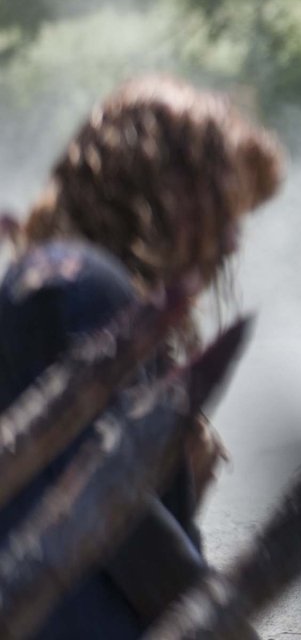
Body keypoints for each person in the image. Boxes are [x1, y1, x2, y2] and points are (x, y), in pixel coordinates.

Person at [0, 75, 283, 638]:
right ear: (158, 187)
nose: (232, 241)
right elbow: (128, 533)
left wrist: (180, 482)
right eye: (221, 207)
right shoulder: (79, 283)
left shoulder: (71, 286)